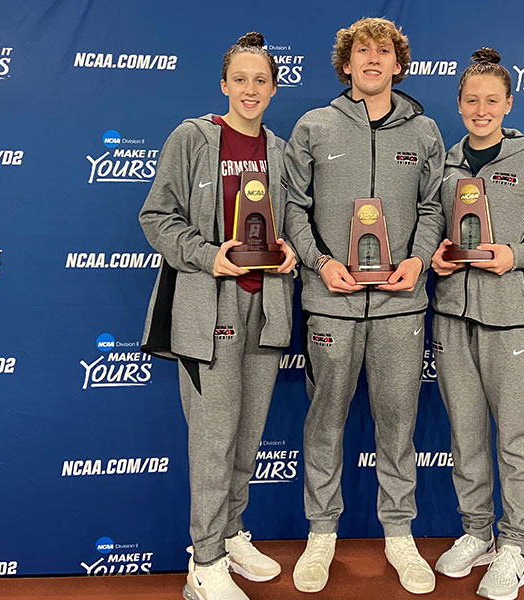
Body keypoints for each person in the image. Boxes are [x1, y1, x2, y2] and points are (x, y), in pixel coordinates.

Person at [284, 17, 445, 596]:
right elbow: (291, 211)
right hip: (331, 303)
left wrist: (418, 260)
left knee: (398, 422)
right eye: (361, 51)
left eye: (383, 52)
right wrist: (321, 263)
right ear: (345, 64)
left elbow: (433, 209)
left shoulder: (424, 130)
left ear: (398, 64)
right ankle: (321, 533)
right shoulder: (313, 127)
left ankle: (399, 534)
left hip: (402, 305)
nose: (372, 60)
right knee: (324, 420)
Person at [139, 32, 296, 600]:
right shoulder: (193, 138)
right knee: (213, 440)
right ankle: (203, 564)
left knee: (246, 436)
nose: (250, 90)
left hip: (267, 306)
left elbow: (290, 222)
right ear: (223, 84)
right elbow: (156, 217)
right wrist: (211, 256)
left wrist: (292, 252)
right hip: (209, 308)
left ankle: (230, 534)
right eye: (241, 80)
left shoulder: (280, 151)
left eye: (261, 81)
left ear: (274, 89)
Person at [430, 48, 524, 600]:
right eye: (472, 100)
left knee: (515, 437)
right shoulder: (443, 162)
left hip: (514, 318)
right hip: (451, 315)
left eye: (492, 99)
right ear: (460, 104)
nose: (481, 109)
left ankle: (514, 547)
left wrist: (514, 254)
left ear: (508, 103)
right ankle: (477, 533)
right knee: (465, 434)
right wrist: (438, 258)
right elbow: (432, 231)